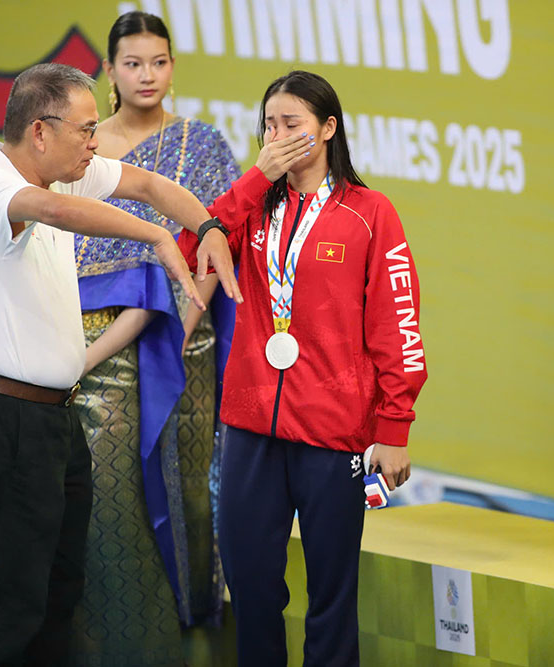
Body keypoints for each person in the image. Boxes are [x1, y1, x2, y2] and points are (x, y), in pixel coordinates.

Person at [0, 61, 265, 665]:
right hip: (7, 418)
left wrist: (209, 226)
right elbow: (58, 213)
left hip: (57, 420)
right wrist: (159, 239)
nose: (97, 143)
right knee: (11, 600)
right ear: (40, 132)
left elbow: (149, 187)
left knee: (62, 589)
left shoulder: (66, 175)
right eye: (86, 130)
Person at [178, 70, 428, 666]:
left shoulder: (371, 215)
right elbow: (191, 257)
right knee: (252, 586)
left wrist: (393, 430)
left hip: (332, 434)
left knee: (331, 599)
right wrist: (253, 179)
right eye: (269, 125)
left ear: (328, 129)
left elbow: (398, 328)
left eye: (292, 124)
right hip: (249, 428)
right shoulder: (251, 210)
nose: (279, 135)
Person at [66, 11, 242, 664]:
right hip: (92, 345)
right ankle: (115, 634)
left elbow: (219, 246)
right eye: (133, 62)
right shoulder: (80, 147)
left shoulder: (201, 145)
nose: (148, 75)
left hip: (183, 344)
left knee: (187, 487)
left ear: (173, 66)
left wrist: (181, 322)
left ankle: (195, 628)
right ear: (108, 70)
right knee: (107, 491)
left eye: (159, 61)